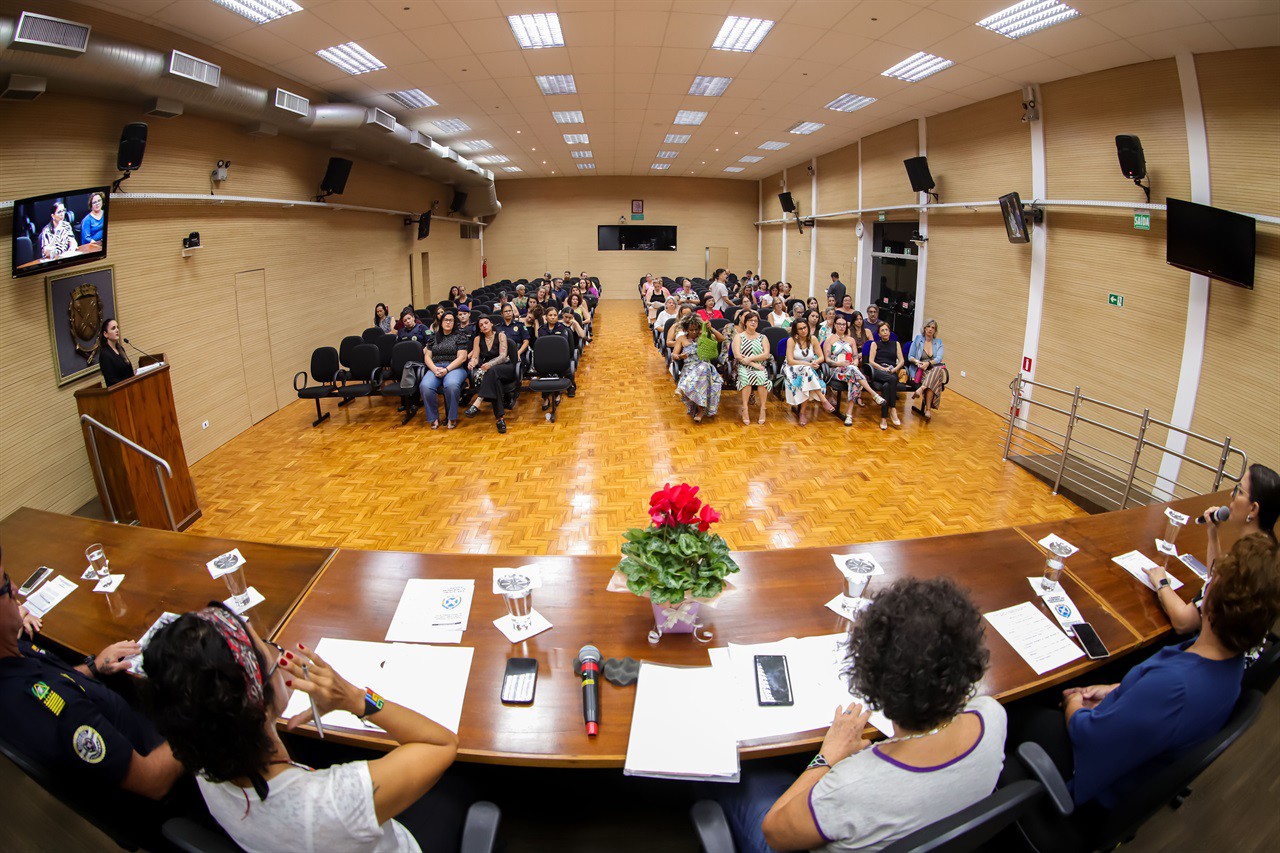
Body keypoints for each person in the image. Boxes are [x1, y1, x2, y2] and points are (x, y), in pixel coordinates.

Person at [1003, 533, 1280, 832]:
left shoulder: (1175, 687)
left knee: (1015, 709)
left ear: (1211, 605)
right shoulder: (1230, 664)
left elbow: (1089, 737)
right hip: (1128, 752)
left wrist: (1074, 703)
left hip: (1085, 790)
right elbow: (1150, 703)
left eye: (1211, 581)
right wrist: (1115, 690)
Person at [145, 605, 466, 853]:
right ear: (260, 700)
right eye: (268, 650)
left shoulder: (201, 757)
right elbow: (441, 745)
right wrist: (355, 698)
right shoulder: (335, 801)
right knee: (460, 788)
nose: (280, 652)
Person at [716, 577, 1003, 853]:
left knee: (736, 768)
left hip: (795, 830)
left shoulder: (851, 784)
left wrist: (827, 756)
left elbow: (773, 832)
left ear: (871, 678)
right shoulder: (992, 717)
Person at [0, 544, 185, 803]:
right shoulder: (65, 715)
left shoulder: (13, 652)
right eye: (6, 585)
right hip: (157, 761)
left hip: (122, 717)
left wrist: (94, 666)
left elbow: (59, 683)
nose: (18, 589)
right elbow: (153, 781)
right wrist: (197, 720)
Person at [1147, 464, 1279, 636]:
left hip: (1214, 659)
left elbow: (1183, 622)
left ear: (1253, 509)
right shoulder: (1267, 552)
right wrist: (1212, 533)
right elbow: (1216, 583)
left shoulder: (1242, 562)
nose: (1231, 494)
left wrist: (1161, 583)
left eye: (1239, 491)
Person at [824, 315, 884, 426]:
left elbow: (856, 357)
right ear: (835, 325)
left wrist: (855, 363)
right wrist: (839, 363)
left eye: (843, 324)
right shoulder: (829, 339)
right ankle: (873, 394)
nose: (842, 327)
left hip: (850, 369)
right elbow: (827, 360)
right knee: (854, 373)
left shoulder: (851, 340)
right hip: (836, 370)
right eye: (839, 324)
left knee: (854, 378)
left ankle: (849, 415)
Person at [464, 315, 514, 433]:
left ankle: (478, 401)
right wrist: (472, 363)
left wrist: (490, 365)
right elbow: (475, 357)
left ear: (491, 324)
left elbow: (502, 357)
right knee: (494, 380)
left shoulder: (501, 335)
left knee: (492, 371)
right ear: (480, 329)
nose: (484, 326)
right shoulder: (477, 339)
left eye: (486, 323)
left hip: (505, 368)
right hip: (491, 372)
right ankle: (500, 419)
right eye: (481, 325)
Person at [420, 312, 469, 429]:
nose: (448, 322)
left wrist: (447, 369)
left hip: (454, 367)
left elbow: (462, 357)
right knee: (425, 386)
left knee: (451, 385)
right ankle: (434, 417)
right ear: (441, 322)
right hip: (436, 366)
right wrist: (434, 369)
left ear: (454, 322)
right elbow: (427, 356)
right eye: (445, 320)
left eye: (451, 320)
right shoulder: (434, 337)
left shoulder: (460, 336)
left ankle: (452, 417)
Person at [782, 319, 836, 426]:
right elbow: (790, 361)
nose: (803, 330)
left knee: (807, 375)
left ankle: (802, 412)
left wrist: (815, 362)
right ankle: (823, 400)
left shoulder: (813, 339)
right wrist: (808, 365)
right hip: (792, 369)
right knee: (807, 371)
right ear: (796, 331)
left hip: (808, 369)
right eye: (800, 329)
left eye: (805, 327)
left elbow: (821, 357)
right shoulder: (791, 340)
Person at [672, 315, 724, 423]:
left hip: (705, 367)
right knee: (700, 379)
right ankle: (700, 411)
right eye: (691, 330)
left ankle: (682, 388)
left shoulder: (704, 336)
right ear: (686, 329)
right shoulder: (681, 339)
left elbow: (721, 339)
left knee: (704, 367)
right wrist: (681, 356)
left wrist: (711, 329)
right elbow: (674, 355)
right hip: (689, 369)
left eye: (696, 329)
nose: (694, 332)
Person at [535, 306, 583, 409]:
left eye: (555, 315)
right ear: (546, 317)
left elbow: (566, 347)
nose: (552, 317)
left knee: (560, 369)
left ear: (558, 316)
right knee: (543, 373)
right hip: (546, 358)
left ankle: (557, 394)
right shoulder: (541, 330)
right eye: (550, 315)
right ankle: (546, 398)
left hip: (560, 358)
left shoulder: (563, 329)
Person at [733, 310, 771, 425]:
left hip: (760, 366)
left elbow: (766, 354)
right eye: (750, 320)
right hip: (743, 366)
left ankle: (763, 408)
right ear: (745, 322)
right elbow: (737, 355)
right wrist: (753, 364)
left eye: (755, 321)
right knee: (746, 378)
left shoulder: (762, 337)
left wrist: (749, 358)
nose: (753, 323)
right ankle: (745, 408)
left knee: (762, 379)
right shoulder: (739, 337)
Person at [907, 319, 948, 422]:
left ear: (935, 331)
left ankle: (921, 389)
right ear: (924, 328)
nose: (930, 329)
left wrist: (928, 363)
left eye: (933, 328)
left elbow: (939, 358)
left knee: (936, 371)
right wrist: (918, 362)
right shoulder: (918, 339)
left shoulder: (938, 342)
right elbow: (910, 356)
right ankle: (928, 410)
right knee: (935, 377)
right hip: (920, 370)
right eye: (928, 327)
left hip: (932, 368)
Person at [868, 322, 904, 430]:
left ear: (889, 331)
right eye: (882, 330)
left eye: (886, 330)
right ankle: (893, 409)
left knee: (886, 386)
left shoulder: (896, 344)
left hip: (892, 370)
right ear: (879, 334)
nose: (885, 332)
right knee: (892, 379)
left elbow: (902, 360)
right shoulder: (875, 344)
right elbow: (871, 361)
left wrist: (895, 369)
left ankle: (884, 418)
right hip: (879, 370)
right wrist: (882, 368)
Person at [97, 318, 135, 387]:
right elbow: (111, 381)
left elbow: (130, 371)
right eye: (113, 328)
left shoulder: (120, 349)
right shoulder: (104, 354)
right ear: (105, 334)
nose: (117, 330)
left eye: (117, 327)